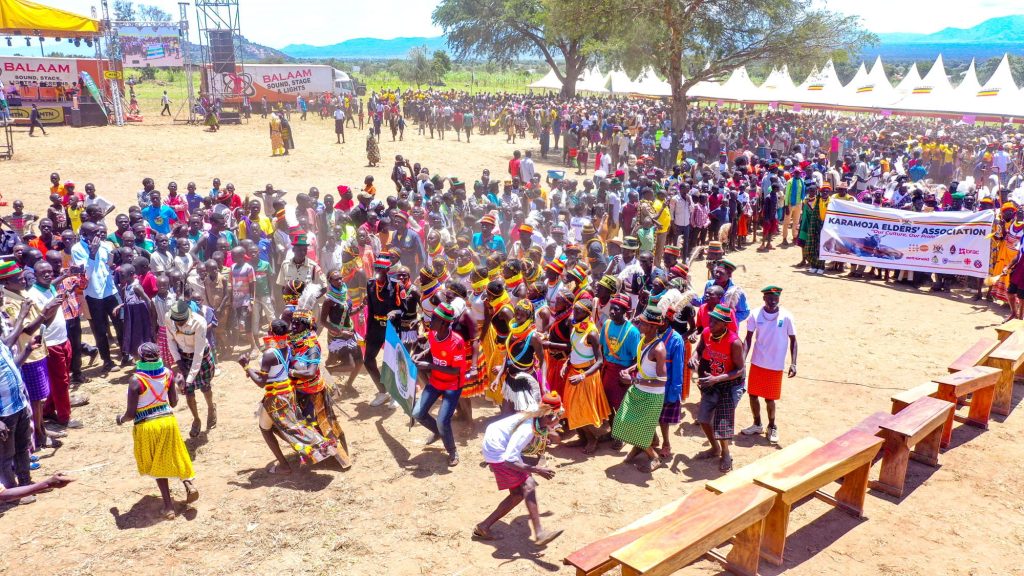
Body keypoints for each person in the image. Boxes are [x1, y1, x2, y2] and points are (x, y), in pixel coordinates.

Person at [240, 320, 338, 475]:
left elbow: (261, 383)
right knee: (292, 426)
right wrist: (253, 371)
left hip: (275, 398)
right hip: (287, 393)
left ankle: (286, 465)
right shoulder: (287, 348)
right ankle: (316, 447)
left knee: (267, 429)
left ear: (271, 333)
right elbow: (275, 372)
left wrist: (245, 366)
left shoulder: (269, 353)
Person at [115, 343, 198, 519]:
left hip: (148, 425)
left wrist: (120, 419)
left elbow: (130, 414)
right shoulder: (167, 374)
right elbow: (173, 403)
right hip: (168, 421)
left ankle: (168, 507)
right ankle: (188, 482)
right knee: (177, 455)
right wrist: (178, 385)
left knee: (158, 465)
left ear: (141, 358)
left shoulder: (136, 380)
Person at [476, 391, 564, 546]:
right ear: (547, 416)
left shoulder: (536, 412)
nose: (558, 421)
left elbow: (553, 434)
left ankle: (484, 526)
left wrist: (550, 430)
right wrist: (537, 470)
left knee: (518, 494)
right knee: (528, 486)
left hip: (496, 439)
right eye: (556, 417)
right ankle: (539, 533)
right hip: (497, 451)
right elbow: (509, 460)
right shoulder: (526, 430)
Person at [612, 306, 667, 472]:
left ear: (652, 326)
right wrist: (630, 369)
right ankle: (640, 447)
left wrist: (634, 379)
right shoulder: (644, 340)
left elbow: (662, 380)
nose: (638, 325)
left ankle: (654, 457)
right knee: (623, 420)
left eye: (642, 323)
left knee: (638, 428)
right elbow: (643, 362)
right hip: (638, 390)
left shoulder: (659, 349)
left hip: (651, 396)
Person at [412, 302, 468, 467]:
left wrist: (429, 366)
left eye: (434, 318)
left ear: (444, 323)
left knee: (443, 420)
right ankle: (439, 433)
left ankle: (452, 451)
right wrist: (421, 355)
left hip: (452, 385)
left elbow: (456, 371)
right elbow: (432, 349)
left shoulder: (456, 342)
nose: (430, 320)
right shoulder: (433, 334)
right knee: (417, 413)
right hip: (436, 381)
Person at [692, 304, 746, 472]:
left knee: (721, 422)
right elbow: (699, 349)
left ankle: (726, 453)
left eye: (715, 321)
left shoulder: (734, 342)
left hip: (731, 385)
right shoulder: (707, 333)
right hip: (712, 382)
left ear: (724, 324)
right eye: (710, 319)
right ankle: (714, 448)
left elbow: (740, 370)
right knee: (703, 419)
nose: (711, 323)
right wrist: (694, 357)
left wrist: (717, 379)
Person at [742, 286, 797, 444]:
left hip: (775, 365)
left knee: (769, 398)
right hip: (758, 362)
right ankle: (757, 424)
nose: (773, 301)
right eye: (770, 298)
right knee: (753, 395)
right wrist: (743, 360)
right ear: (764, 298)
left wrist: (793, 363)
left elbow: (794, 340)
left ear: (779, 299)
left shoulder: (786, 316)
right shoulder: (755, 314)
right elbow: (748, 338)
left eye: (776, 299)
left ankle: (772, 426)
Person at [561, 298, 609, 454]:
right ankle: (582, 438)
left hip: (586, 376)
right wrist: (566, 363)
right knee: (572, 408)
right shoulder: (574, 326)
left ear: (587, 314)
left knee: (586, 410)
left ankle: (592, 440)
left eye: (579, 311)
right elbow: (574, 349)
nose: (574, 313)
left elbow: (600, 361)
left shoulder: (592, 333)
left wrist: (583, 376)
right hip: (573, 373)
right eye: (574, 309)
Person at [165, 301, 216, 438]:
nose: (179, 325)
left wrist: (190, 377)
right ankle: (196, 419)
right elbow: (170, 340)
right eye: (177, 322)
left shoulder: (199, 322)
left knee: (205, 387)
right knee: (188, 391)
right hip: (183, 356)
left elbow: (198, 354)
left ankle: (211, 408)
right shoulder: (168, 318)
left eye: (182, 321)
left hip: (200, 357)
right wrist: (179, 362)